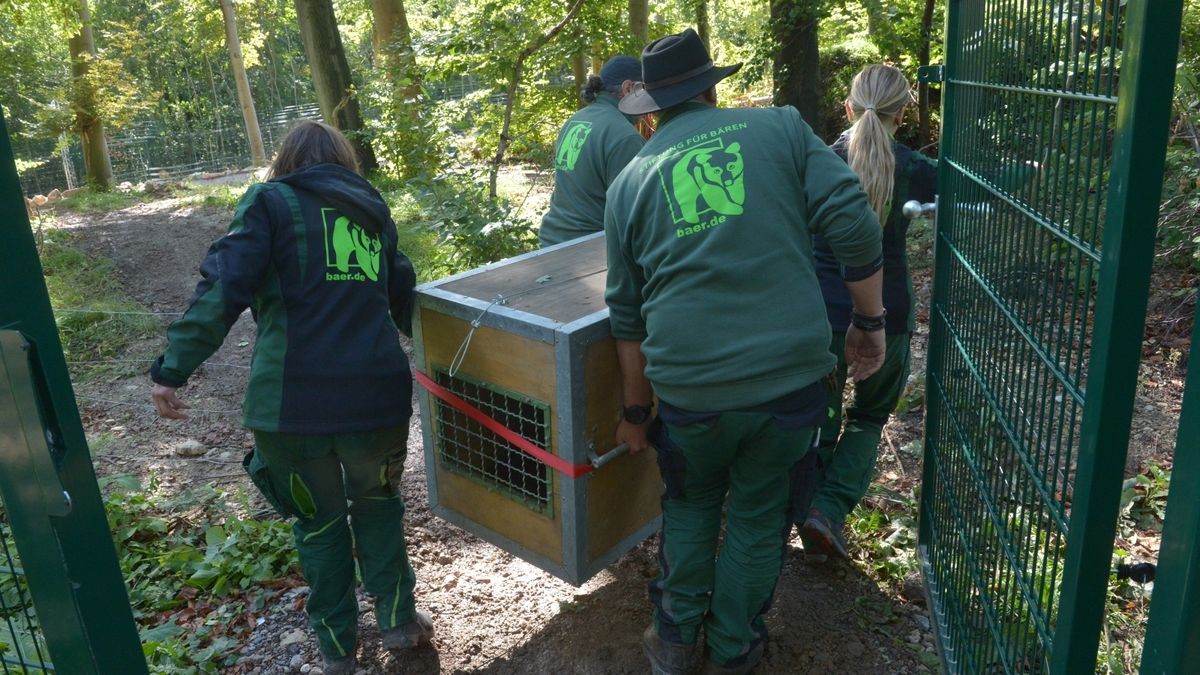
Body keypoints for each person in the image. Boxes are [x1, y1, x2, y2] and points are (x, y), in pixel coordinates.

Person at [604, 29, 887, 675]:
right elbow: (854, 221)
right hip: (787, 384)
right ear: (711, 87)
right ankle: (736, 650)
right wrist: (869, 321)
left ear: (653, 104)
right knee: (759, 514)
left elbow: (628, 316)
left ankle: (675, 642)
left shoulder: (629, 183)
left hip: (691, 393)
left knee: (693, 502)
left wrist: (634, 410)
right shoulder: (782, 130)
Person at [149, 120, 430, 675]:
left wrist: (171, 370)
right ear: (344, 162)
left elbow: (223, 286)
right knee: (379, 505)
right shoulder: (371, 206)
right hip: (377, 399)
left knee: (319, 523)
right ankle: (398, 622)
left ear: (285, 161)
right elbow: (404, 294)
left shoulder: (269, 203)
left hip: (291, 409)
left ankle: (336, 650)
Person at [799, 65, 938, 561]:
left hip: (819, 316)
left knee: (821, 414)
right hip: (888, 313)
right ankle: (828, 511)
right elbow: (980, 187)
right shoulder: (918, 169)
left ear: (848, 108)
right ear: (904, 114)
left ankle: (805, 506)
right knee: (871, 414)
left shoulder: (817, 160)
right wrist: (1032, 169)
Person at [538, 55, 646, 247]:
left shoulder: (574, 121)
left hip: (550, 241)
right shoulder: (625, 136)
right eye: (645, 90)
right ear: (628, 88)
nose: (649, 101)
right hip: (590, 248)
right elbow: (634, 215)